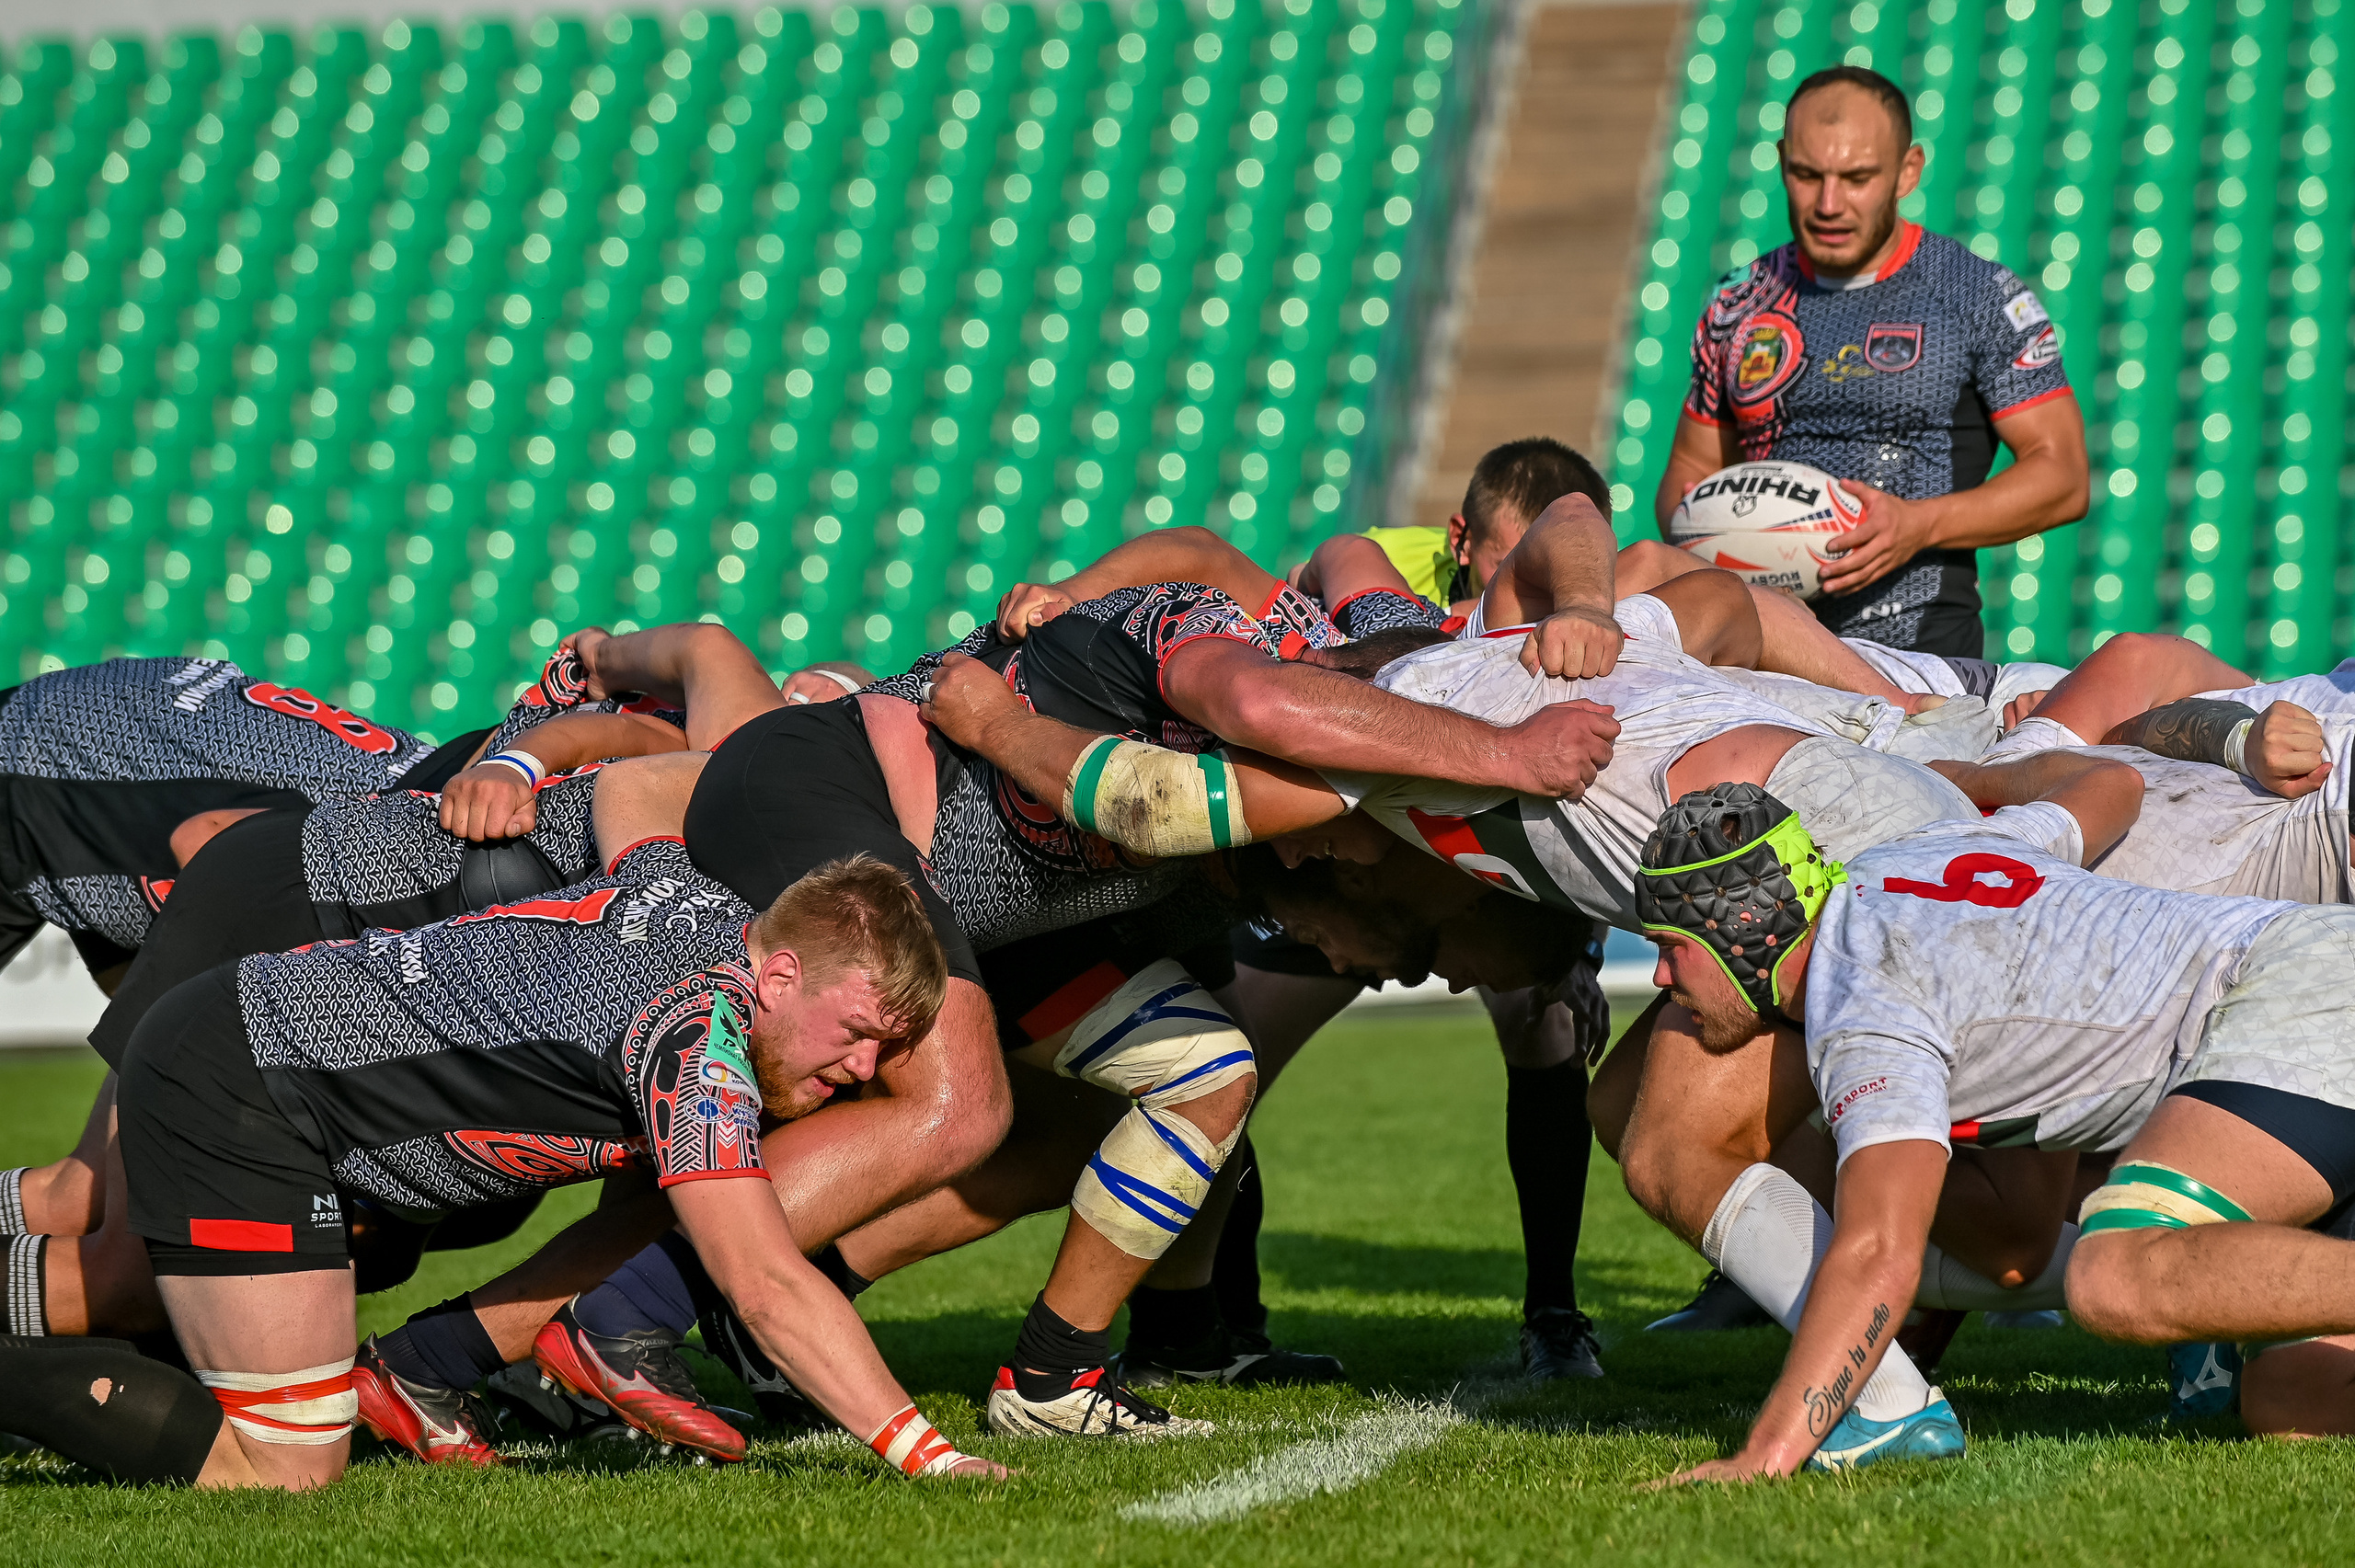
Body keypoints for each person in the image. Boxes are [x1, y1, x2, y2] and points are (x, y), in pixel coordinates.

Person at [1656, 64, 2089, 657]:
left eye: (1857, 178)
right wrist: (1726, 544)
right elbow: (1690, 468)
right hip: (1762, 661)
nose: (1829, 203)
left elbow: (2063, 477)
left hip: (1917, 661)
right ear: (1782, 160)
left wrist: (1919, 526)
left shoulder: (1976, 295)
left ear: (1907, 171)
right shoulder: (1740, 302)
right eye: (1807, 175)